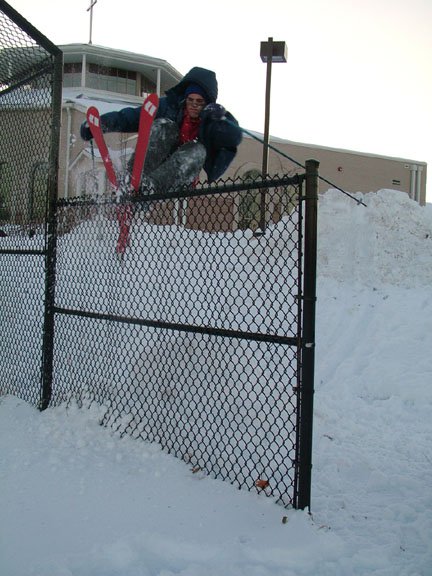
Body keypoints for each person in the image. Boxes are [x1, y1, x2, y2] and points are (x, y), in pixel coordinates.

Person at [80, 66, 242, 195]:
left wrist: (220, 120)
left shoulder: (214, 120)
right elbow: (131, 117)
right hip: (157, 161)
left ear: (206, 103)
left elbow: (234, 137)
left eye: (199, 102)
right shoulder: (169, 106)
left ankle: (149, 189)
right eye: (190, 100)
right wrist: (101, 125)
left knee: (198, 149)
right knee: (164, 125)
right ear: (184, 99)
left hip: (182, 172)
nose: (193, 105)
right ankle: (133, 180)